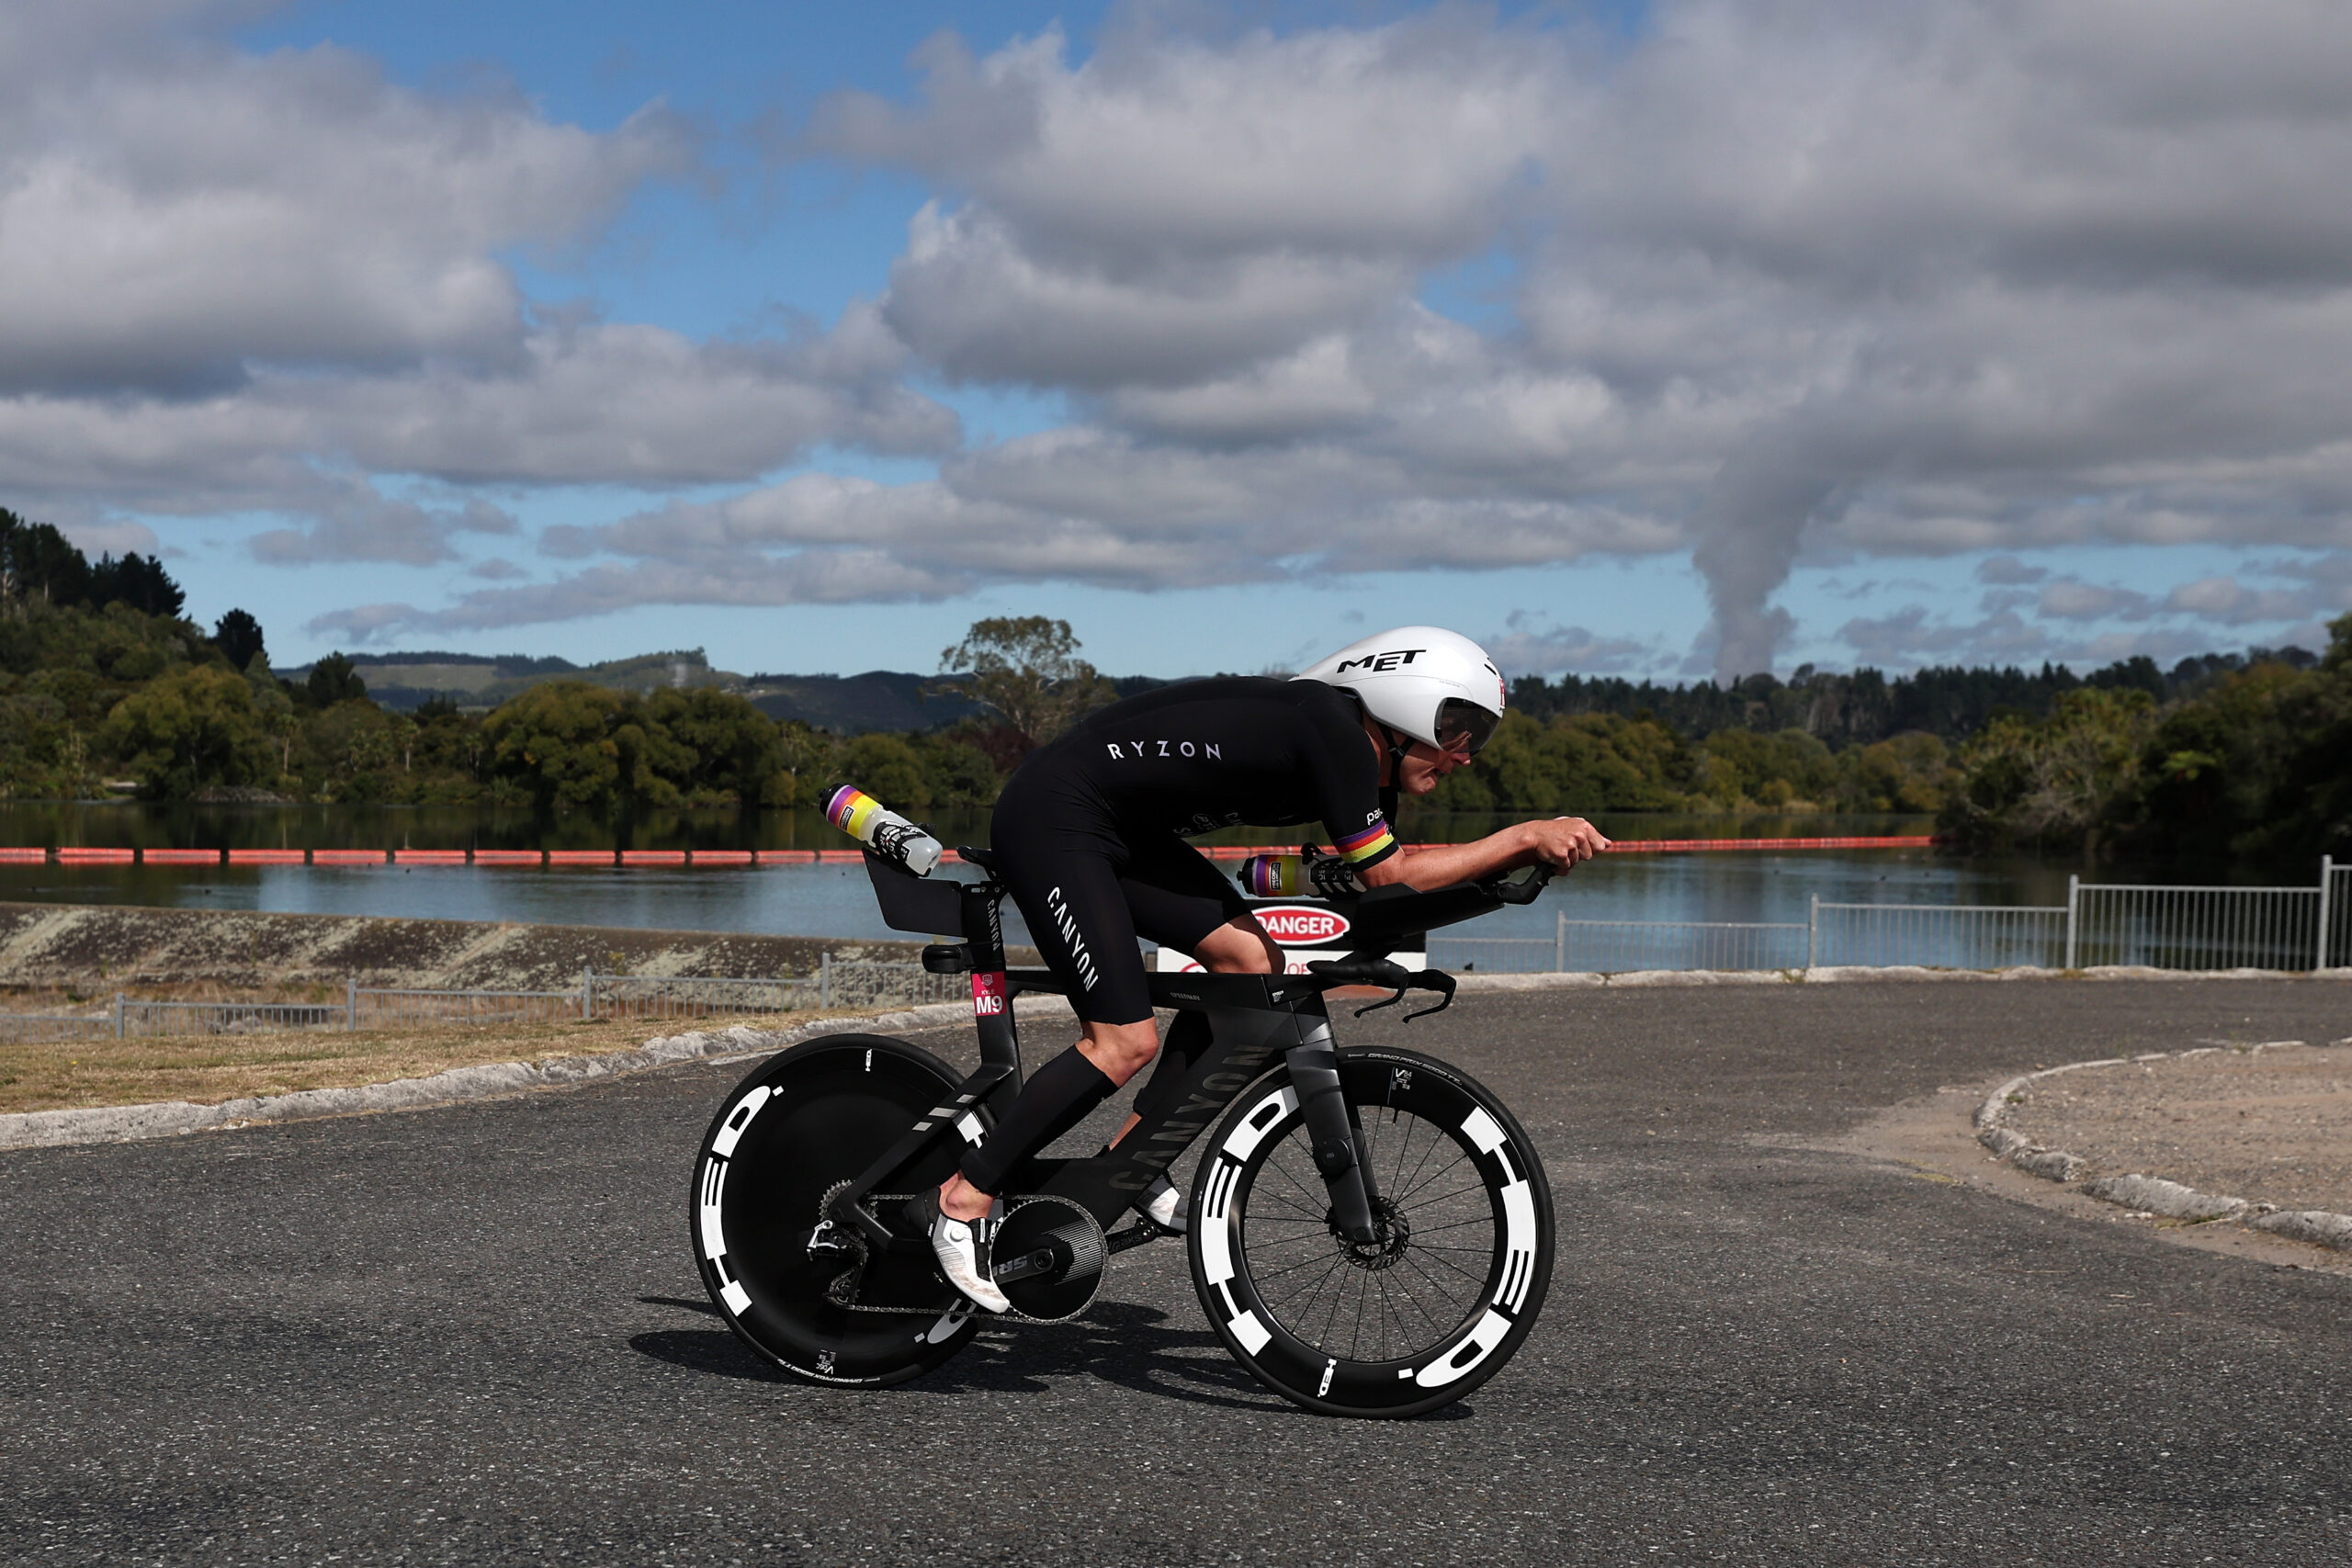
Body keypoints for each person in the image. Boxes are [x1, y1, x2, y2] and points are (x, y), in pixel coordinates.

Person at [913, 626, 1610, 1311]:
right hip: (1056, 816)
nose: (1464, 755)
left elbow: (1387, 896)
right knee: (1123, 1041)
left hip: (1122, 830)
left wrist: (1504, 879)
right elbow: (1393, 874)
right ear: (1406, 702)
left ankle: (1130, 1161)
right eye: (1457, 730)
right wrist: (1524, 836)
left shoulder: (1362, 761)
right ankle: (962, 1198)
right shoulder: (1335, 733)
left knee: (1251, 964)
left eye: (1477, 738)